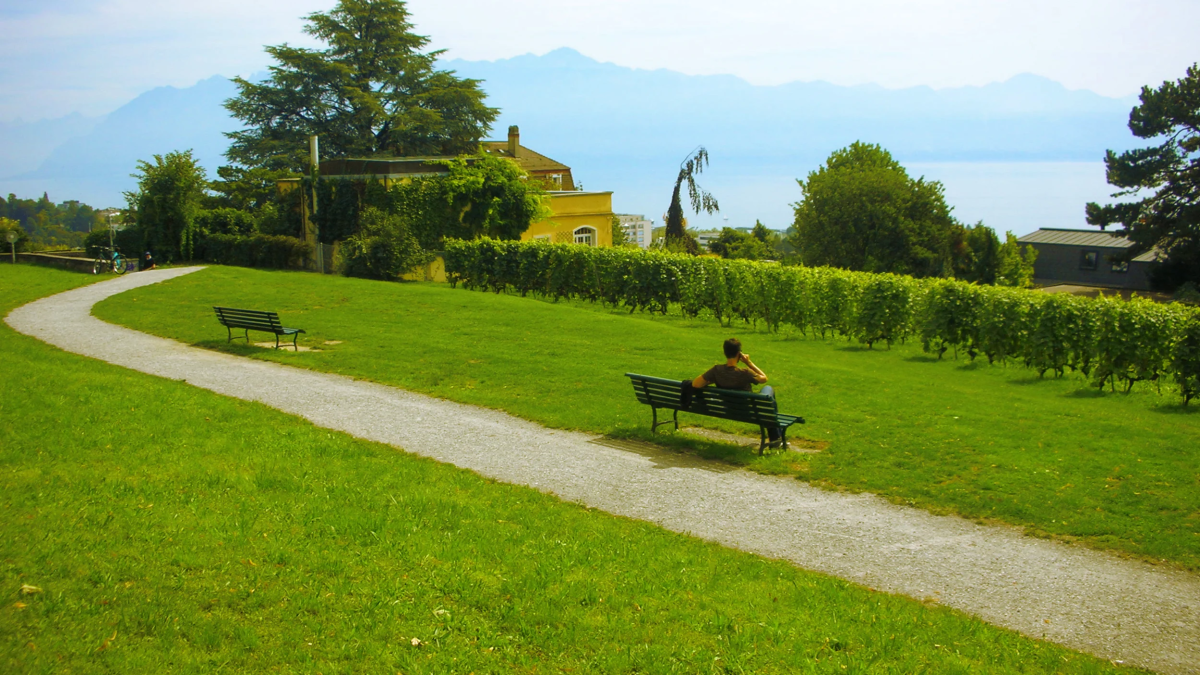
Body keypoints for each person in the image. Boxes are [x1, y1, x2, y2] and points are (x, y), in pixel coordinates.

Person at [692, 338, 782, 445]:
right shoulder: (745, 372)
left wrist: (712, 380)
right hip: (748, 411)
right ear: (739, 354)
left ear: (724, 353)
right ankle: (776, 437)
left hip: (728, 408)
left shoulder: (716, 370)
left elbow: (695, 384)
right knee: (769, 390)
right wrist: (749, 363)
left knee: (768, 403)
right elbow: (764, 378)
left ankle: (777, 438)